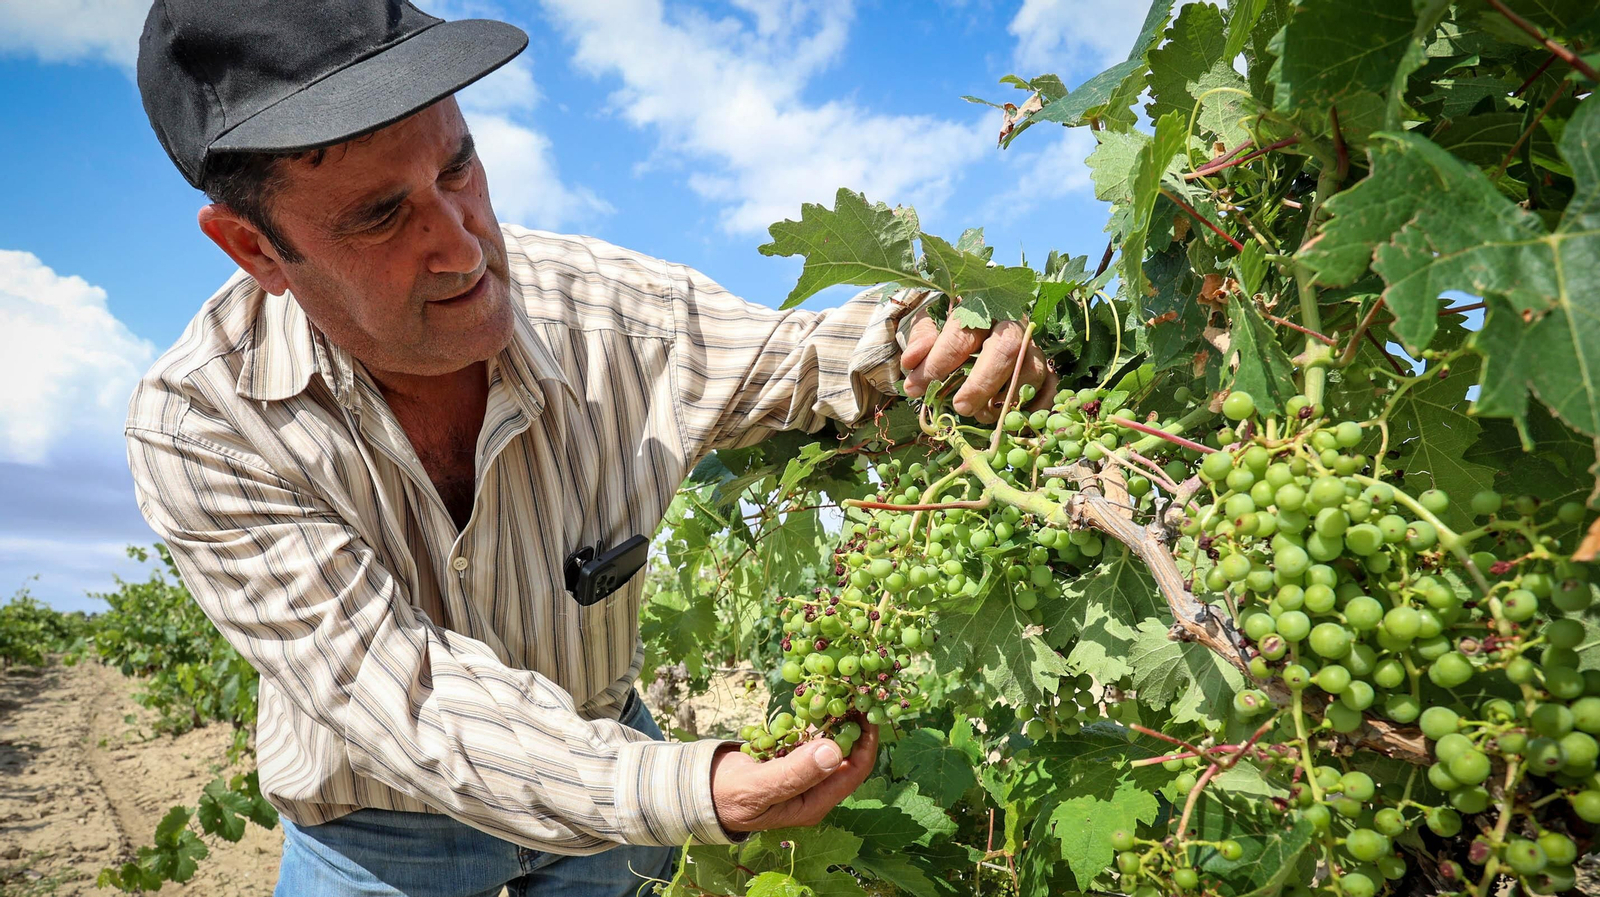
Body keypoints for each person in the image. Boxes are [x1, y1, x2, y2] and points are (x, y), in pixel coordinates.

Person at [125, 1, 1052, 895]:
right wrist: (689, 789)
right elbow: (404, 695)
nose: (461, 247)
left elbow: (804, 359)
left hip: (614, 820)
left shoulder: (607, 311)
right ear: (254, 247)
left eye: (459, 169)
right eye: (379, 216)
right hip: (380, 840)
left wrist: (940, 342)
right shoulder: (203, 425)